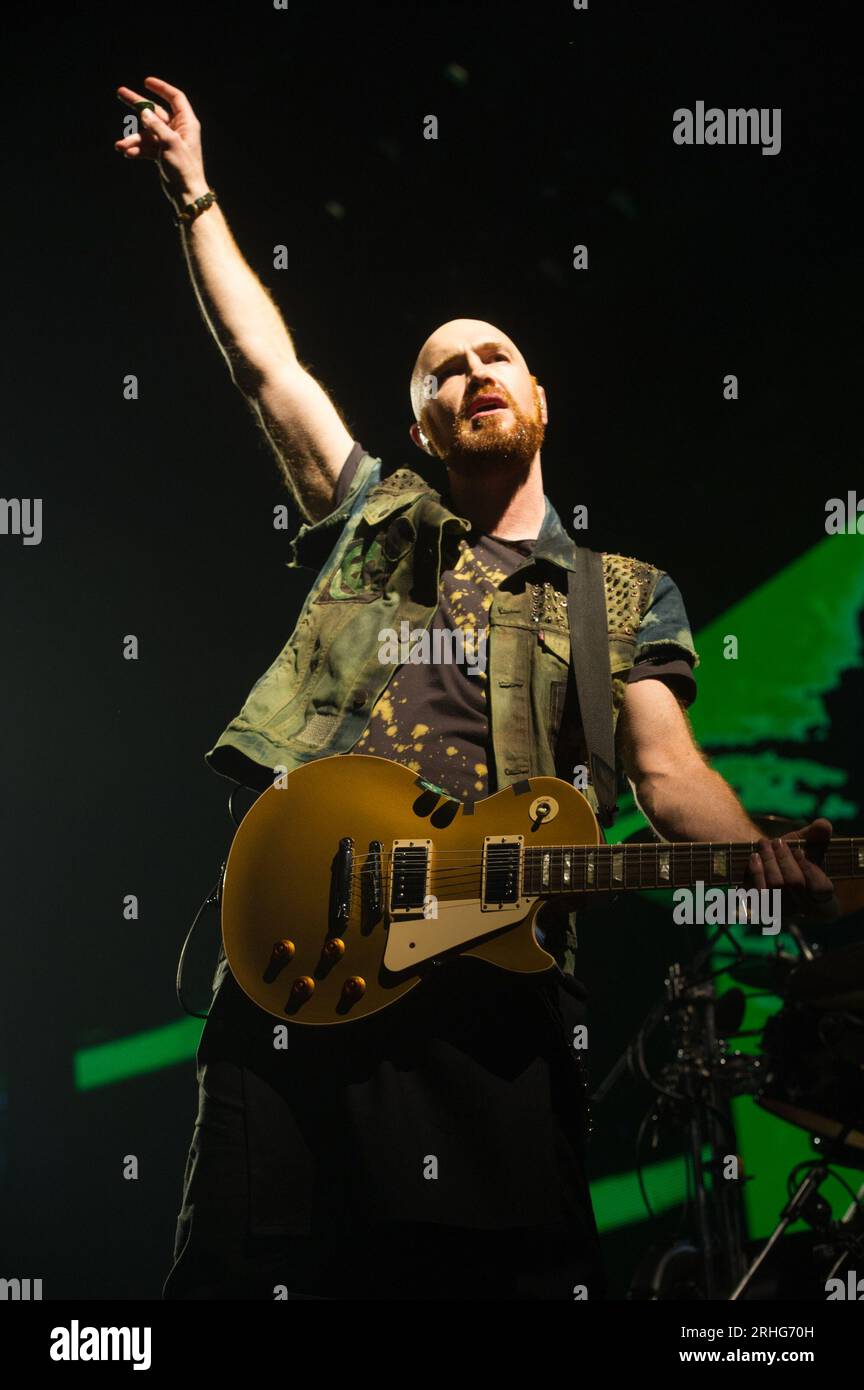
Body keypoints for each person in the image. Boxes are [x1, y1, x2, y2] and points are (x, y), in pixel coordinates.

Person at [115, 77, 840, 1301]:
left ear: (539, 400)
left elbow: (669, 780)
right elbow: (264, 363)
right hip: (303, 953)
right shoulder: (376, 521)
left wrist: (773, 867)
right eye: (443, 371)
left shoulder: (621, 595)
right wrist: (194, 194)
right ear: (428, 424)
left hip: (491, 997)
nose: (474, 372)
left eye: (496, 354)